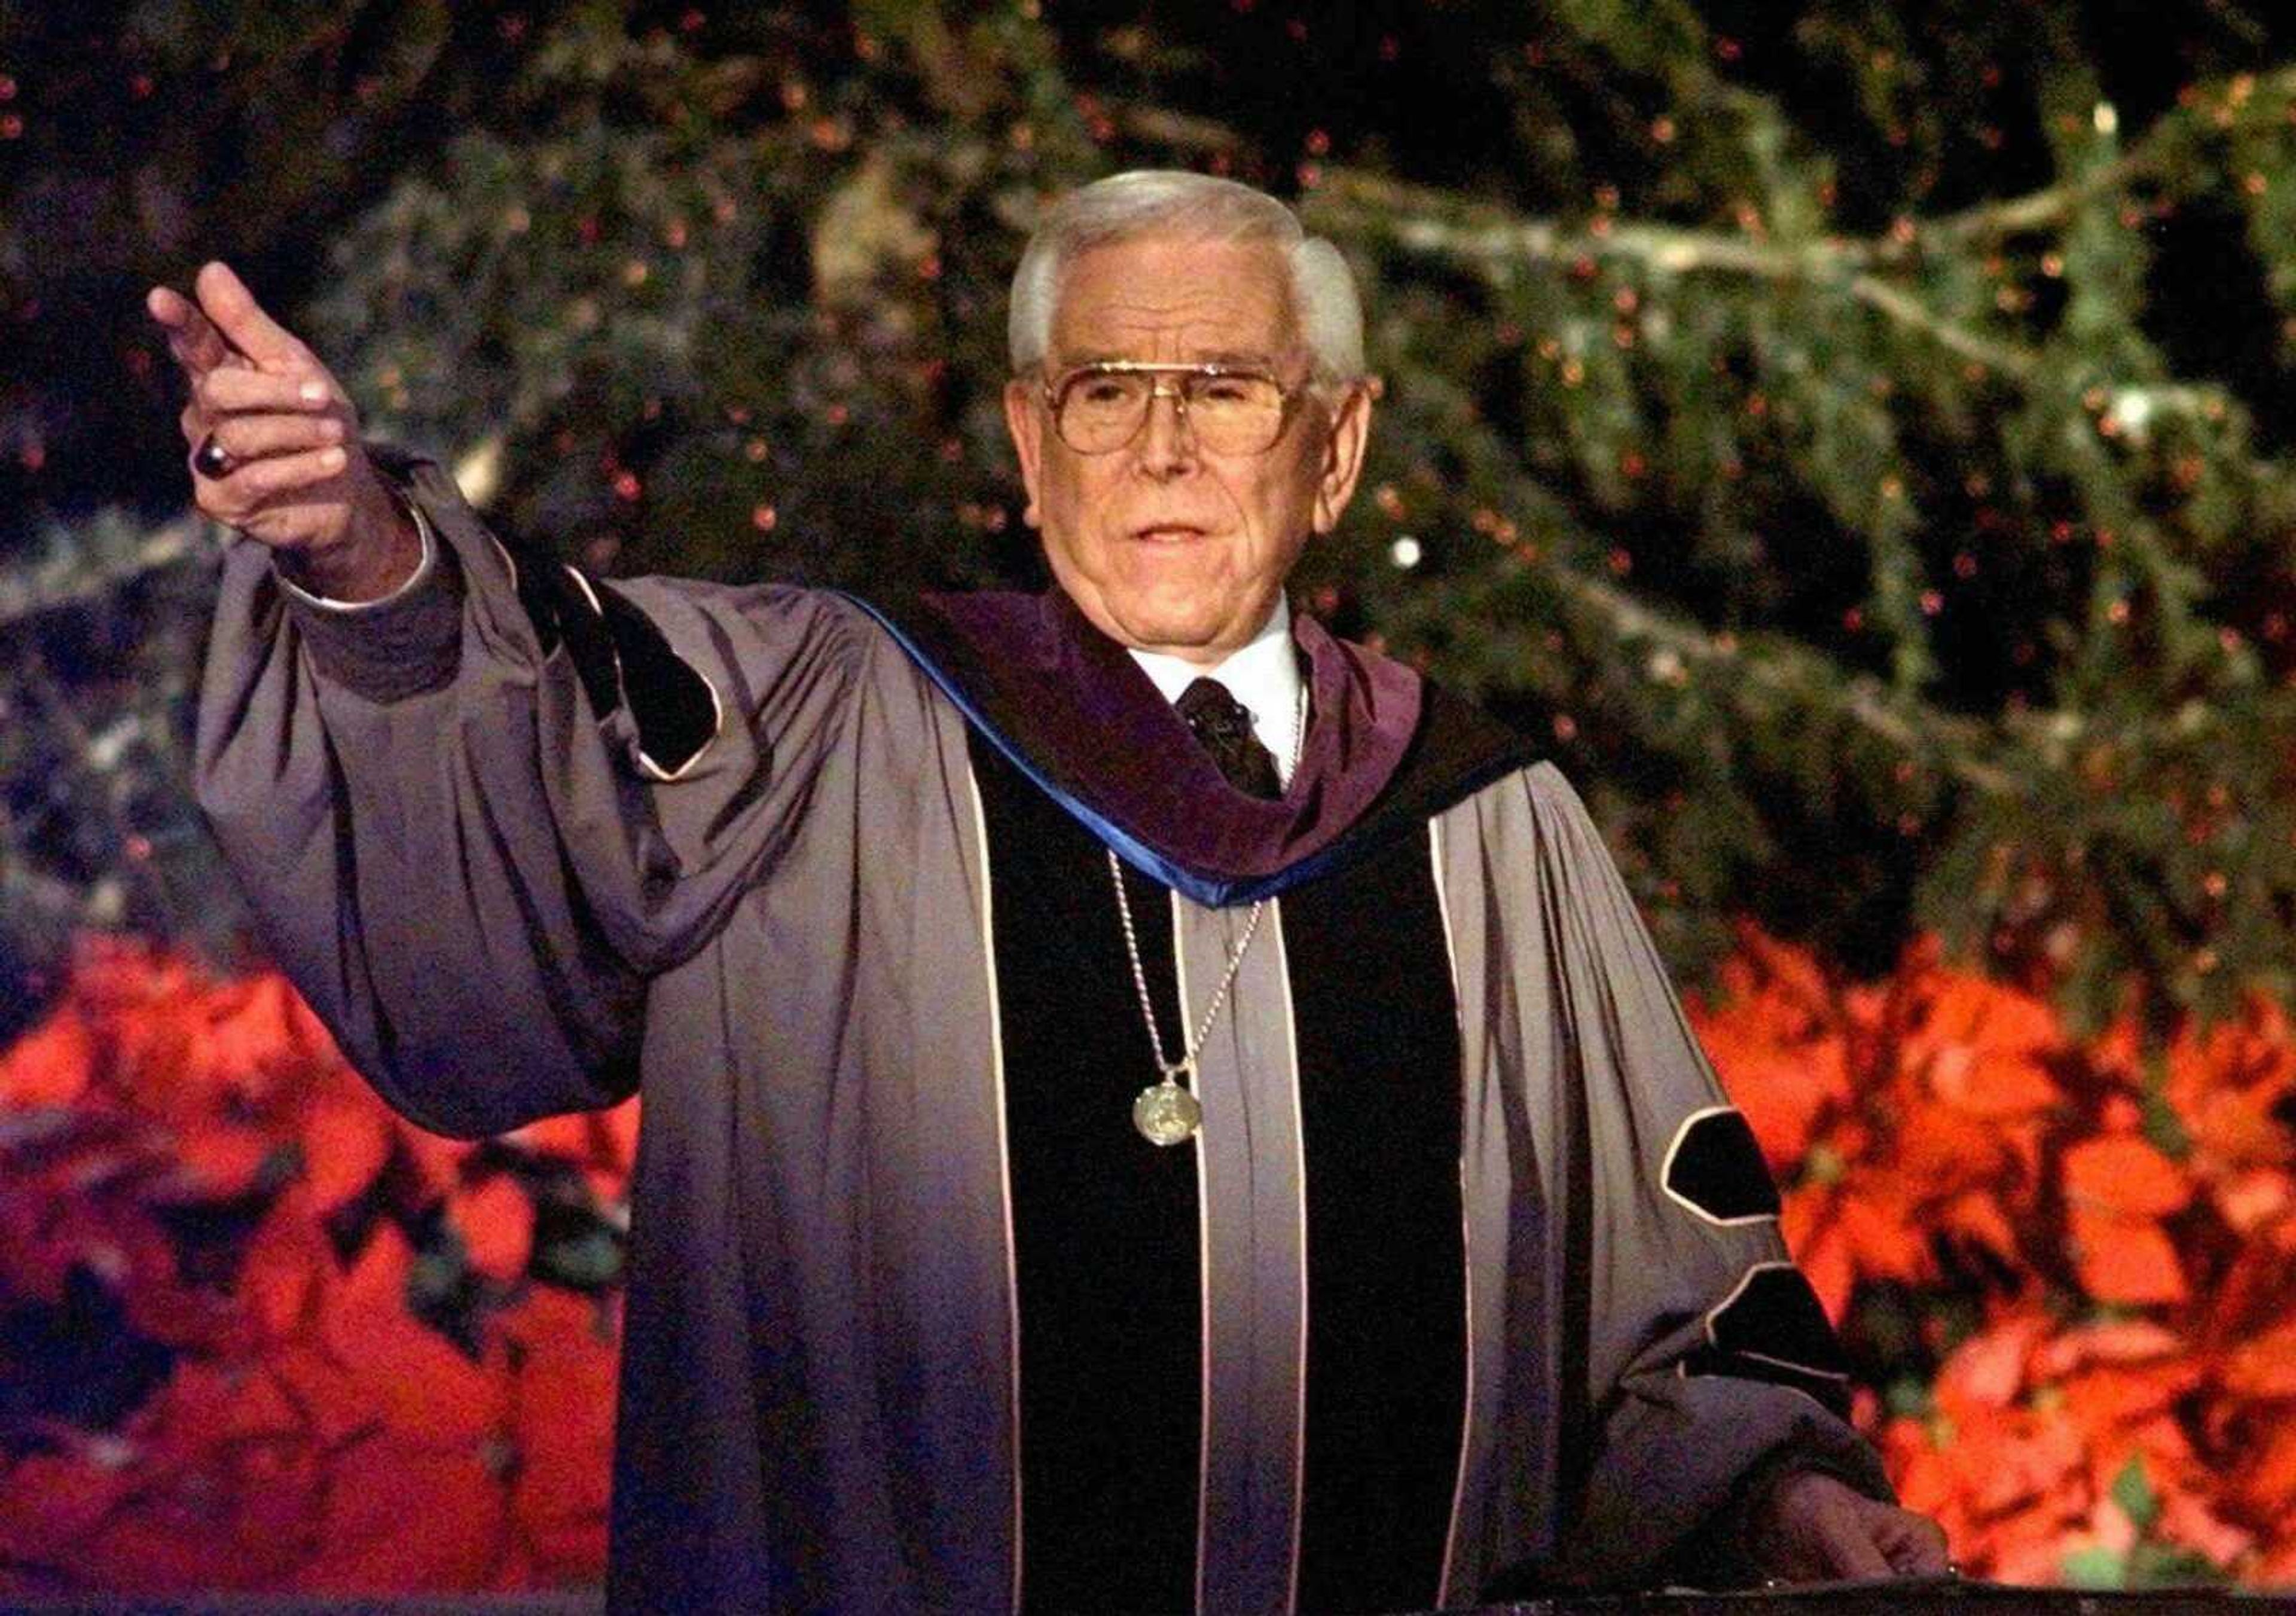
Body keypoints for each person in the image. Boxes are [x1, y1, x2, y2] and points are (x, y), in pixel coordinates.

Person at [154, 170, 1949, 1613]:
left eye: (1227, 392)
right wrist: (366, 561)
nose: (1162, 448)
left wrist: (1780, 1497)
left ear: (1334, 448)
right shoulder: (819, 732)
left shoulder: (1486, 826)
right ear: (1029, 444)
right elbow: (541, 710)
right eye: (1107, 392)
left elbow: (1668, 1307)